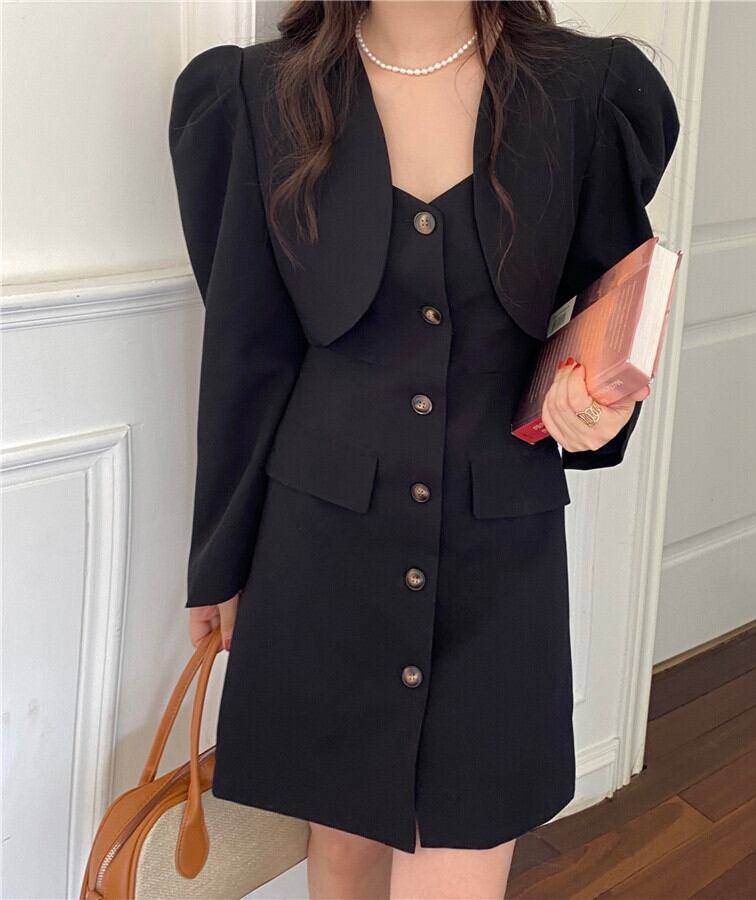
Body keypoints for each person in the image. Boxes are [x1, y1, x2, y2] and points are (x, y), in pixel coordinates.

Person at [167, 1, 679, 897]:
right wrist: (221, 562)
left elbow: (606, 314)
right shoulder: (255, 95)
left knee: (462, 859)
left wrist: (599, 406)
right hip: (320, 554)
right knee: (344, 860)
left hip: (499, 563)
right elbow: (246, 353)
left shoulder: (588, 92)